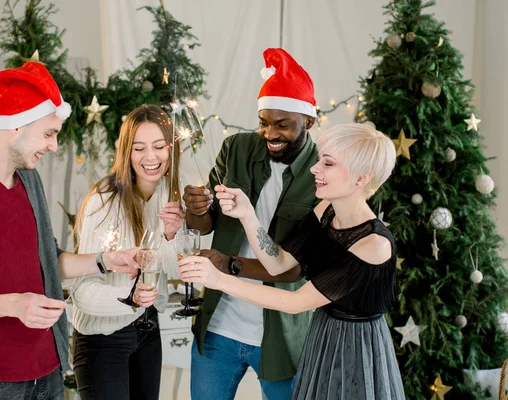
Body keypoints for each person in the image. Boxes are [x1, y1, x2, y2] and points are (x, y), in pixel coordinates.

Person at [0, 62, 139, 400]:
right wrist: (14, 305)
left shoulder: (29, 181)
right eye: (49, 133)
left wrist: (105, 260)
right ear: (16, 127)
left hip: (47, 371)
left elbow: (48, 259)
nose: (54, 146)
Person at [179, 123, 406, 399]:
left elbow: (295, 302)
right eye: (320, 158)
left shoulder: (373, 245)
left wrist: (219, 279)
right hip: (323, 334)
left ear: (362, 178)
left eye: (328, 163)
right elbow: (280, 263)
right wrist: (247, 216)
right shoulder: (326, 210)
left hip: (356, 348)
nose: (315, 168)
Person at [182, 48, 319, 399]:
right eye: (263, 121)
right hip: (218, 328)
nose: (269, 133)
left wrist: (228, 265)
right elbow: (203, 225)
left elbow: (295, 269)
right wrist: (196, 206)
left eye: (282, 124)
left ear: (309, 121)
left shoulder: (322, 173)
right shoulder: (237, 148)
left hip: (284, 338)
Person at [71, 104, 184, 400]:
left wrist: (172, 235)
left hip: (147, 331)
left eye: (159, 146)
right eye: (139, 148)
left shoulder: (167, 194)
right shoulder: (103, 201)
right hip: (102, 340)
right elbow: (81, 291)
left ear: (171, 150)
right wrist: (128, 298)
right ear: (126, 152)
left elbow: (173, 271)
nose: (151, 157)